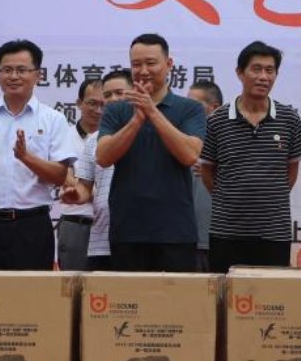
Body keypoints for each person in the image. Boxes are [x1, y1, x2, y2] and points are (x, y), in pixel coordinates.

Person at [0, 39, 79, 270]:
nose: (13, 76)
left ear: (38, 75)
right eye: (7, 70)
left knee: (32, 291)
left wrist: (27, 158)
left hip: (32, 225)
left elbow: (59, 176)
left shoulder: (53, 119)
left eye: (21, 70)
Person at [96, 34, 208, 272]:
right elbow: (103, 157)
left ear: (169, 64)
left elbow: (190, 155)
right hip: (127, 231)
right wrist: (137, 120)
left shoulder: (190, 108)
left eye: (151, 63)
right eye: (136, 64)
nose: (143, 71)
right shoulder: (116, 110)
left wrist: (152, 112)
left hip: (175, 231)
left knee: (175, 295)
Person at [199, 42, 301, 272]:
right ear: (240, 72)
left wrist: (269, 199)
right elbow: (207, 171)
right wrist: (228, 200)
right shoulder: (217, 120)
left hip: (274, 232)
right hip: (226, 231)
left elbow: (291, 171)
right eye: (256, 69)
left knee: (271, 292)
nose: (263, 77)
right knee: (225, 291)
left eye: (270, 70)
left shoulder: (289, 118)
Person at [65, 70, 133, 270]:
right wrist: (76, 194)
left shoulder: (150, 132)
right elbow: (85, 187)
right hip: (101, 241)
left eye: (119, 93)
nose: (112, 100)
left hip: (138, 237)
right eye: (108, 95)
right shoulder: (94, 140)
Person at [55, 77, 107, 272]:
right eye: (92, 103)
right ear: (79, 103)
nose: (98, 110)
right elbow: (66, 179)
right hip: (76, 223)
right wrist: (101, 192)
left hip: (109, 227)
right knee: (72, 285)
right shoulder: (63, 136)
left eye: (103, 104)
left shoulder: (116, 140)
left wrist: (86, 186)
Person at [187, 79, 223, 271]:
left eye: (194, 105)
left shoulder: (229, 141)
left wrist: (213, 172)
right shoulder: (181, 138)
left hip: (218, 236)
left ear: (214, 108)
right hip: (185, 237)